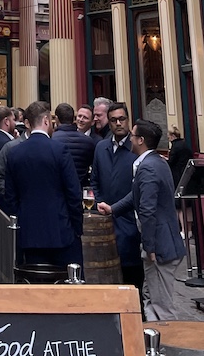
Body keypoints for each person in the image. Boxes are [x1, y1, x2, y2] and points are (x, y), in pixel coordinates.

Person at [98, 119, 185, 321]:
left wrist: (149, 247)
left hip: (161, 245)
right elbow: (136, 195)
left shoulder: (148, 167)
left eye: (133, 135)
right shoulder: (155, 162)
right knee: (150, 296)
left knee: (160, 304)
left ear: (141, 140)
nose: (129, 138)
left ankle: (165, 345)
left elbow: (147, 210)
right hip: (163, 242)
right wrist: (113, 209)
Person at [4, 100, 83, 267]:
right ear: (47, 121)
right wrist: (76, 227)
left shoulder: (14, 153)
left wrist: (20, 221)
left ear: (27, 123)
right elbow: (73, 192)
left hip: (29, 231)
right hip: (61, 230)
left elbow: (10, 197)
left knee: (35, 285)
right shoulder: (59, 150)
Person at [91, 102, 144, 295]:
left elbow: (139, 187)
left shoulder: (136, 148)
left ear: (128, 120)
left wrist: (118, 207)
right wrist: (99, 202)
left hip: (130, 220)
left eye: (122, 119)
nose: (118, 123)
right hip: (105, 219)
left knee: (132, 276)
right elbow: (95, 179)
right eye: (113, 120)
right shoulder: (101, 147)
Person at [52, 102, 97, 187]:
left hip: (58, 189)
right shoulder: (89, 142)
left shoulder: (51, 139)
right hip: (79, 188)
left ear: (57, 119)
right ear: (73, 119)